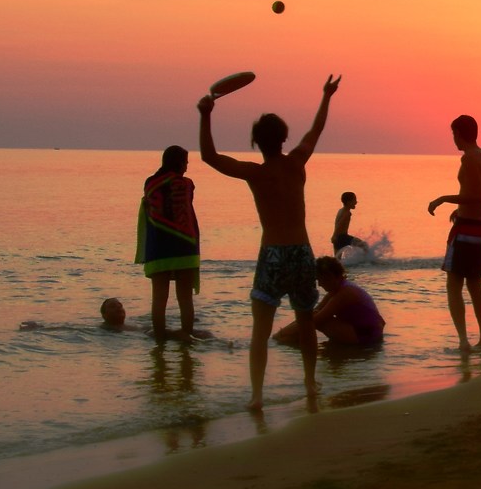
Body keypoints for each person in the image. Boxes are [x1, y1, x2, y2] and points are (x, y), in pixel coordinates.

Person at [201, 74, 339, 409]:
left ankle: (257, 396)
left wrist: (205, 115)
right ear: (283, 139)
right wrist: (326, 95)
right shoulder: (297, 163)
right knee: (306, 322)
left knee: (261, 328)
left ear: (256, 143)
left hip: (273, 255)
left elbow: (210, 157)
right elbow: (316, 130)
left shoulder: (256, 173)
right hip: (302, 253)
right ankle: (309, 385)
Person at [428, 114, 481, 350]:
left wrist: (444, 199)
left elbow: (476, 195)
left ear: (458, 134)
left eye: (453, 134)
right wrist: (462, 209)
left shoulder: (469, 158)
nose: (453, 140)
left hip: (468, 230)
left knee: (454, 285)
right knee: (475, 284)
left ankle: (463, 342)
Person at [136, 145, 200, 336]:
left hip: (159, 248)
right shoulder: (187, 185)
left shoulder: (150, 183)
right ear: (179, 162)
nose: (187, 167)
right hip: (185, 247)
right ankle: (187, 341)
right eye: (186, 162)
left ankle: (159, 343)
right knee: (185, 299)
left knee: (159, 300)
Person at [273, 256, 386, 350]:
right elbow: (311, 313)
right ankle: (287, 342)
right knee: (307, 321)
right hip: (362, 332)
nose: (320, 284)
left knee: (318, 322)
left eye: (321, 280)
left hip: (367, 336)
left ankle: (283, 342)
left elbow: (316, 320)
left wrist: (280, 334)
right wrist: (284, 332)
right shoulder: (337, 289)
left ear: (331, 277)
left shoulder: (345, 293)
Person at [330, 191, 367, 258]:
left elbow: (337, 224)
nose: (356, 202)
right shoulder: (347, 213)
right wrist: (333, 236)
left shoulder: (341, 210)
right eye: (354, 200)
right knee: (364, 246)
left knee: (337, 260)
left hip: (338, 238)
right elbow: (339, 224)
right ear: (348, 202)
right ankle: (366, 261)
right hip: (343, 237)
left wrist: (335, 237)